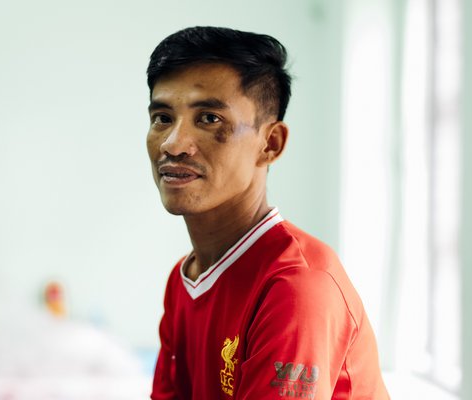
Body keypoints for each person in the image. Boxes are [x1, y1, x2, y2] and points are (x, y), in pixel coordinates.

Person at [145, 26, 390, 400]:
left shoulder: (297, 287)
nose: (173, 143)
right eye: (162, 117)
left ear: (270, 144)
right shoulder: (184, 280)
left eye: (210, 119)